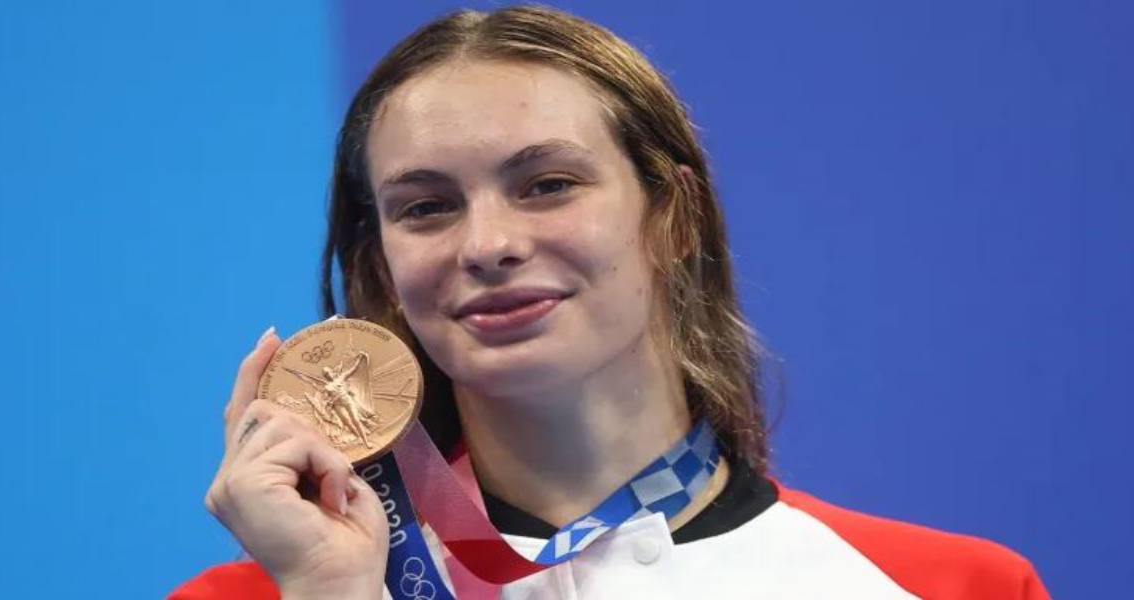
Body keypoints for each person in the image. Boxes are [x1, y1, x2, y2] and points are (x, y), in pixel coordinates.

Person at [169, 6, 1050, 599]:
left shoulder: (947, 586)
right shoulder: (276, 593)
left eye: (548, 183)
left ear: (673, 216)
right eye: (427, 207)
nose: (487, 245)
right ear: (381, 262)